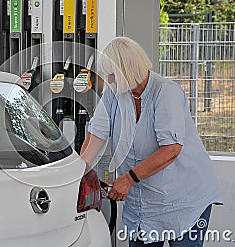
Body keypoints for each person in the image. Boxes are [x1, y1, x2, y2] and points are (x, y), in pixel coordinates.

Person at [80, 37, 222, 246]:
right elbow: (96, 135)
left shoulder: (165, 92)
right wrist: (80, 173)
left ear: (126, 71)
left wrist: (128, 179)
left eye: (112, 74)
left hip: (183, 201)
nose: (108, 80)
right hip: (142, 204)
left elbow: (171, 149)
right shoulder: (114, 94)